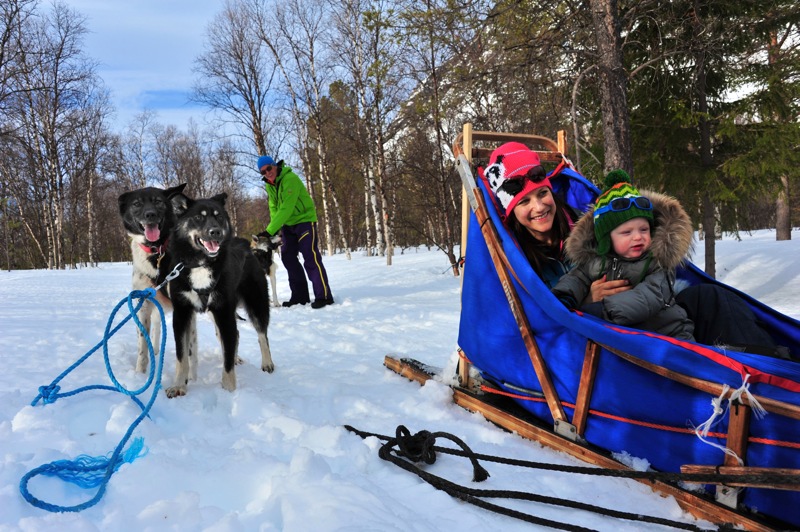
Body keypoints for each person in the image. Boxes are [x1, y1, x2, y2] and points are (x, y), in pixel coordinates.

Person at [484, 142, 786, 356]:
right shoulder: (515, 256)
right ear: (511, 211)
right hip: (596, 332)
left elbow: (631, 228)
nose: (538, 207)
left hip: (649, 307)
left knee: (711, 297)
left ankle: (771, 364)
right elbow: (541, 314)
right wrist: (587, 300)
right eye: (524, 202)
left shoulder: (583, 221)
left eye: (542, 194)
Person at [550, 171, 695, 341]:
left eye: (644, 229)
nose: (638, 237)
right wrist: (563, 297)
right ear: (607, 239)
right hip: (627, 339)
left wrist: (602, 310)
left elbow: (647, 298)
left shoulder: (656, 263)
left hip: (670, 334)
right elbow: (576, 278)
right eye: (626, 232)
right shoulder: (596, 260)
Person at [257, 155, 334, 309]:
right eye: (263, 172)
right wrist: (274, 230)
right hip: (288, 225)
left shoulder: (289, 178)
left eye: (269, 168)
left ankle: (324, 296)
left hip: (304, 221)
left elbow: (287, 207)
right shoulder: (269, 185)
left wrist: (269, 230)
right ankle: (300, 296)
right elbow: (274, 207)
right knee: (288, 257)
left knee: (310, 256)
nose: (267, 173)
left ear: (274, 166)